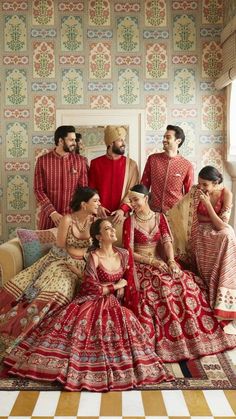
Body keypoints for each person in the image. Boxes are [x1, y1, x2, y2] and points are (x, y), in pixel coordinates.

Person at [3, 219, 173, 392]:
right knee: (81, 331)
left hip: (113, 303)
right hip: (89, 301)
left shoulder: (123, 254)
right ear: (99, 237)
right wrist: (115, 286)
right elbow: (89, 287)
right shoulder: (94, 256)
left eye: (112, 227)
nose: (113, 231)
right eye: (107, 229)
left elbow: (128, 280)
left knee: (127, 320)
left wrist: (121, 289)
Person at [122, 184, 236, 362]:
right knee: (162, 287)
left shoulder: (160, 218)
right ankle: (170, 341)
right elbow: (129, 251)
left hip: (162, 260)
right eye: (130, 200)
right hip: (141, 265)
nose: (132, 203)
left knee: (185, 284)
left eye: (135, 199)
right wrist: (152, 262)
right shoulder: (130, 221)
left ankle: (195, 338)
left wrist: (171, 261)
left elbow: (167, 242)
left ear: (145, 198)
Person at [0, 187, 100, 357]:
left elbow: (98, 244)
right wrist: (67, 265)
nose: (99, 204)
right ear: (84, 204)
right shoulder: (67, 220)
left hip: (85, 264)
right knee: (56, 292)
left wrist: (86, 265)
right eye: (96, 201)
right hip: (62, 261)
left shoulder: (95, 220)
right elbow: (60, 248)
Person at [167, 166, 236, 334]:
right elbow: (178, 211)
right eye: (200, 184)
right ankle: (204, 302)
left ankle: (222, 305)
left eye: (205, 184)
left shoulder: (226, 194)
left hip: (216, 232)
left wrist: (207, 204)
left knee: (228, 235)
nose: (201, 188)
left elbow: (221, 225)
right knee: (225, 236)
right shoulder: (196, 192)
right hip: (198, 233)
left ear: (215, 182)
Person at [34, 125, 88, 229]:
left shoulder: (80, 161)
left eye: (75, 140)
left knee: (72, 245)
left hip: (73, 219)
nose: (74, 143)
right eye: (71, 140)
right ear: (60, 141)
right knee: (47, 245)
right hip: (49, 218)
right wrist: (52, 213)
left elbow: (83, 190)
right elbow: (38, 190)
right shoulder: (43, 161)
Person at [89, 125, 139, 224]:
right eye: (120, 140)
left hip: (122, 218)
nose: (124, 143)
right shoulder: (96, 163)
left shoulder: (131, 165)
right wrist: (98, 206)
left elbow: (134, 191)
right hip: (99, 218)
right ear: (111, 143)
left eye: (124, 140)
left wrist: (123, 209)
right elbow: (91, 189)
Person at [141, 124, 194, 212]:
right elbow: (144, 186)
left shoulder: (186, 165)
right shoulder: (153, 159)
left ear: (178, 141)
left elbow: (189, 195)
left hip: (175, 213)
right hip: (153, 212)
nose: (164, 140)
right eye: (164, 137)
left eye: (168, 137)